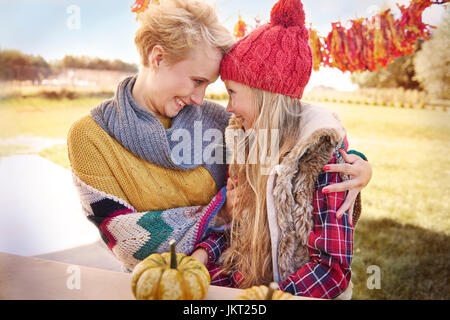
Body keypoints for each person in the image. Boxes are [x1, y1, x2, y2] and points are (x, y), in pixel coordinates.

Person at [68, 0, 371, 273]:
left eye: (209, 84)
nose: (201, 99)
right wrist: (219, 212)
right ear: (158, 57)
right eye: (197, 81)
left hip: (231, 279)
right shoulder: (90, 137)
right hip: (159, 285)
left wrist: (354, 161)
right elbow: (124, 239)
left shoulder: (221, 122)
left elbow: (288, 123)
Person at [191, 0, 372, 299]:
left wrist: (264, 298)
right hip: (253, 289)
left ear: (265, 95)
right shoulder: (246, 146)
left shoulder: (325, 164)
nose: (228, 107)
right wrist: (201, 258)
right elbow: (237, 233)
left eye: (232, 93)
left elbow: (331, 270)